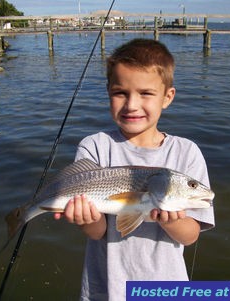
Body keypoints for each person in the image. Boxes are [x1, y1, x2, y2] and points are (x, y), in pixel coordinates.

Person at [54, 38, 215, 301]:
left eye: (146, 93)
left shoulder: (187, 153)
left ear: (167, 97)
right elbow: (98, 232)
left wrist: (173, 222)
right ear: (108, 92)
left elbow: (190, 236)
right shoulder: (95, 147)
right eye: (121, 93)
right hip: (106, 290)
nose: (132, 105)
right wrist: (86, 218)